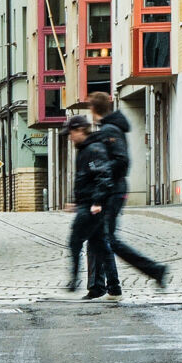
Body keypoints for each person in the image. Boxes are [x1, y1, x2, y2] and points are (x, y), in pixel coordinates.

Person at [86, 92, 168, 294]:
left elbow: (121, 161)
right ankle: (108, 286)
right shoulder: (108, 129)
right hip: (111, 190)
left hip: (113, 191)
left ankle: (154, 270)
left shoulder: (109, 130)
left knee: (107, 239)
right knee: (100, 238)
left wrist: (100, 168)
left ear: (93, 109)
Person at [63, 114, 121, 300]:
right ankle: (113, 287)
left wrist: (95, 202)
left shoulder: (93, 149)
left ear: (80, 130)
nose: (70, 137)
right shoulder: (86, 149)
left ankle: (73, 282)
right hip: (89, 204)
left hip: (91, 207)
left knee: (75, 242)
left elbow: (103, 176)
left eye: (71, 133)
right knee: (101, 246)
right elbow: (87, 179)